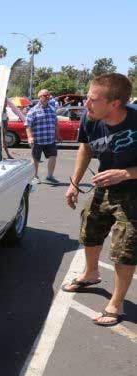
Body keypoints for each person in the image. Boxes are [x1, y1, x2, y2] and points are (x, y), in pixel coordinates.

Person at [63, 73, 137, 327]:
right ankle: (91, 273)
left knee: (125, 247)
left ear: (115, 103)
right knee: (90, 229)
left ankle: (116, 304)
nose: (85, 104)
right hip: (104, 185)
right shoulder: (91, 118)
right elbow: (85, 147)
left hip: (134, 189)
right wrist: (74, 182)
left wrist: (125, 173)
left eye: (93, 100)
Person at [25, 89, 59, 183]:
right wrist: (30, 137)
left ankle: (50, 176)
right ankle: (35, 176)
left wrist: (58, 135)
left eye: (48, 95)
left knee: (53, 156)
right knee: (35, 159)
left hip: (50, 140)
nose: (48, 97)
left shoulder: (52, 109)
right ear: (39, 97)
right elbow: (28, 125)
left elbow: (55, 123)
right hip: (37, 140)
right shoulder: (33, 111)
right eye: (45, 95)